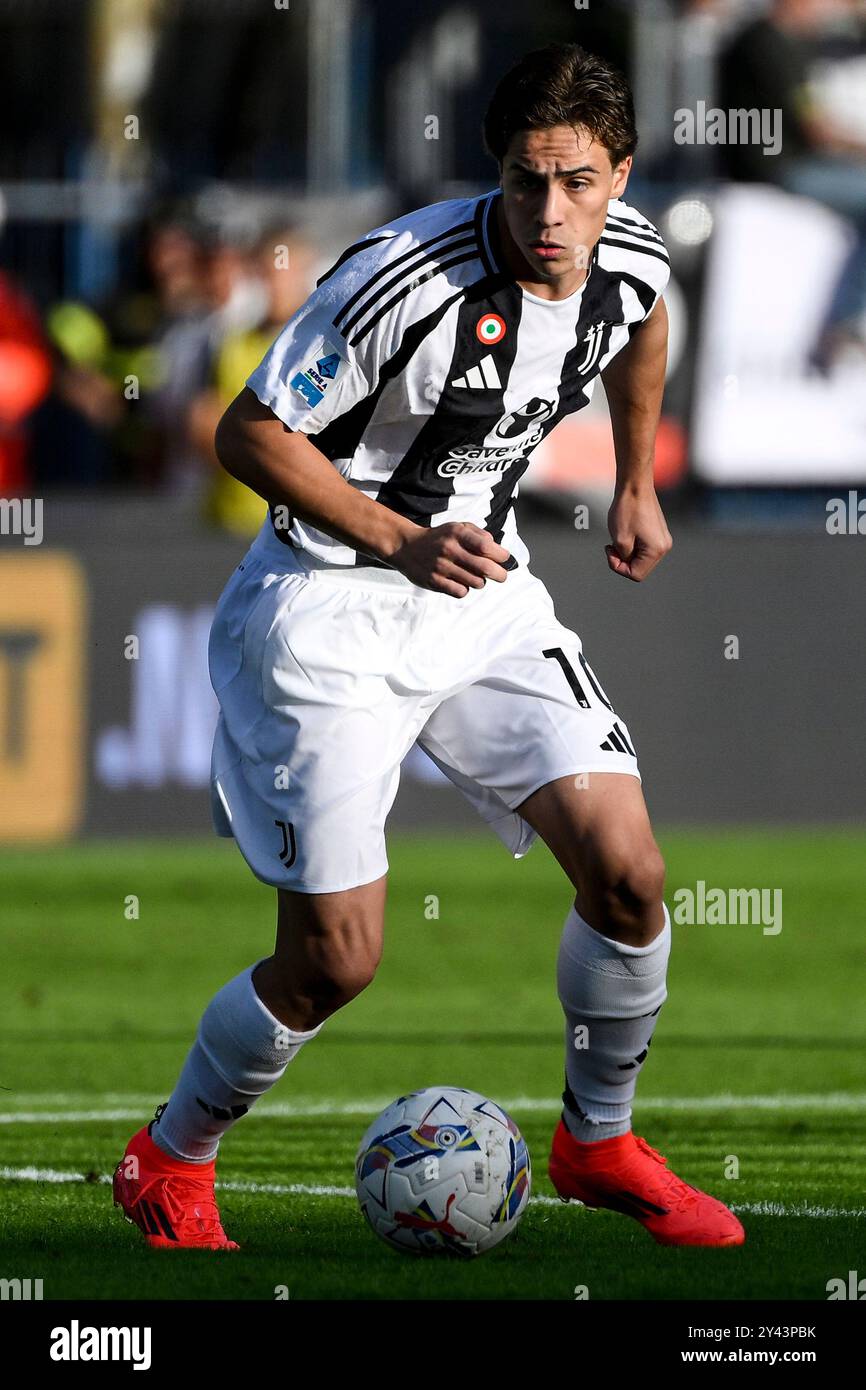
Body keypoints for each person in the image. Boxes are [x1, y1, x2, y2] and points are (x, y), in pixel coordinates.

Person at [113, 42, 744, 1251]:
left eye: (574, 182)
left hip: (480, 591)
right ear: (492, 173)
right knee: (334, 960)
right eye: (522, 183)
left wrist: (636, 480)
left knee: (629, 873)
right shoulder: (402, 275)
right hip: (324, 606)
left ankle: (597, 1138)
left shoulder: (634, 256)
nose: (548, 213)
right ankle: (171, 1158)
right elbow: (249, 434)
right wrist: (396, 539)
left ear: (620, 173)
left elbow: (642, 326)